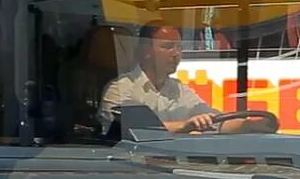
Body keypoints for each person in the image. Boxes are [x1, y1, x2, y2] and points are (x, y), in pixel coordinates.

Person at [98, 21, 273, 134]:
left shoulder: (179, 89)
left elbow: (213, 120)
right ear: (145, 51)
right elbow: (133, 128)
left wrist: (248, 125)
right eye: (168, 47)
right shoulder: (120, 88)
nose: (176, 54)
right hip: (130, 169)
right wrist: (184, 126)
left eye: (179, 47)